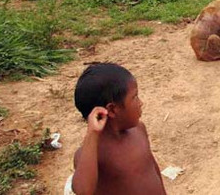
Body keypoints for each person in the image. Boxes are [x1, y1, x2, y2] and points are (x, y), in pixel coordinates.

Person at [68, 63, 166, 195]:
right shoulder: (90, 154)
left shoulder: (139, 130)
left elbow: (153, 168)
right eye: (135, 97)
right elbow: (83, 191)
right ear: (113, 109)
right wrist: (92, 134)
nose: (140, 103)